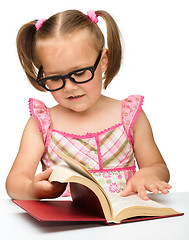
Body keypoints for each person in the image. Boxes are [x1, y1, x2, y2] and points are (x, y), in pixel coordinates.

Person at [6, 9, 172, 201]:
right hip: (66, 226)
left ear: (103, 61)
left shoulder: (129, 115)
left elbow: (159, 167)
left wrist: (148, 174)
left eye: (79, 73)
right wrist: (32, 190)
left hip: (127, 224)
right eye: (54, 78)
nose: (69, 87)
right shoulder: (41, 124)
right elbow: (14, 182)